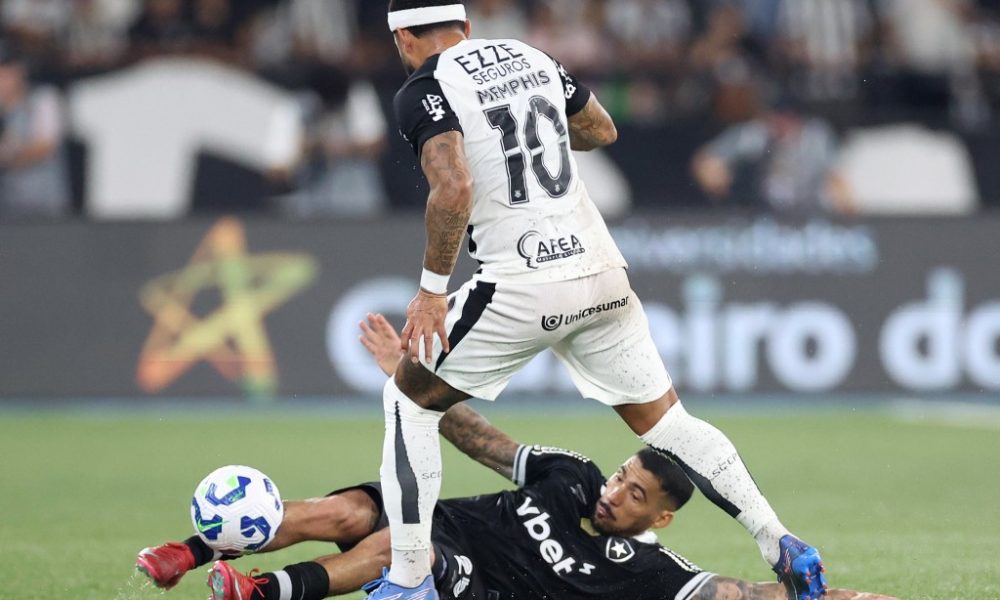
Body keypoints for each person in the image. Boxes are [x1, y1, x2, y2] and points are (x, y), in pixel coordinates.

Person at [377, 2, 825, 599]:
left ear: (403, 36)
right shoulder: (529, 56)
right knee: (666, 421)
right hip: (601, 273)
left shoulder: (424, 87)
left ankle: (409, 583)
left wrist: (433, 291)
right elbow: (600, 129)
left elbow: (453, 187)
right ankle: (781, 542)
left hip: (521, 280)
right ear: (466, 26)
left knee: (409, 400)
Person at [136, 314, 896, 600]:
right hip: (448, 521)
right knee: (355, 509)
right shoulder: (572, 478)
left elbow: (743, 596)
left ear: (659, 517)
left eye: (632, 496)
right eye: (622, 475)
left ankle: (257, 596)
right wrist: (409, 375)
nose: (613, 491)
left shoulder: (652, 577)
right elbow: (480, 439)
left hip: (466, 580)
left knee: (399, 546)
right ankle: (193, 549)